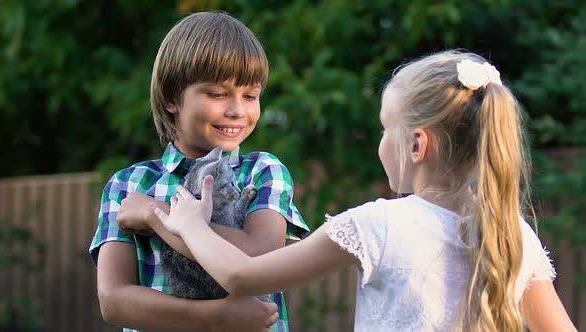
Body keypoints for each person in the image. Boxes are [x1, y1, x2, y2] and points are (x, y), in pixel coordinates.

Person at [151, 50, 578, 331]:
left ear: (415, 145)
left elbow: (242, 276)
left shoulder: (379, 224)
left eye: (385, 128)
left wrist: (187, 223)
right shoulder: (512, 233)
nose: (381, 141)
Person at [89, 11, 310, 332]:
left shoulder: (263, 171)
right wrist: (215, 317)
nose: (237, 110)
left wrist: (157, 215)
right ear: (170, 99)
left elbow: (259, 258)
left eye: (250, 96)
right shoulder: (129, 184)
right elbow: (113, 299)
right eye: (217, 94)